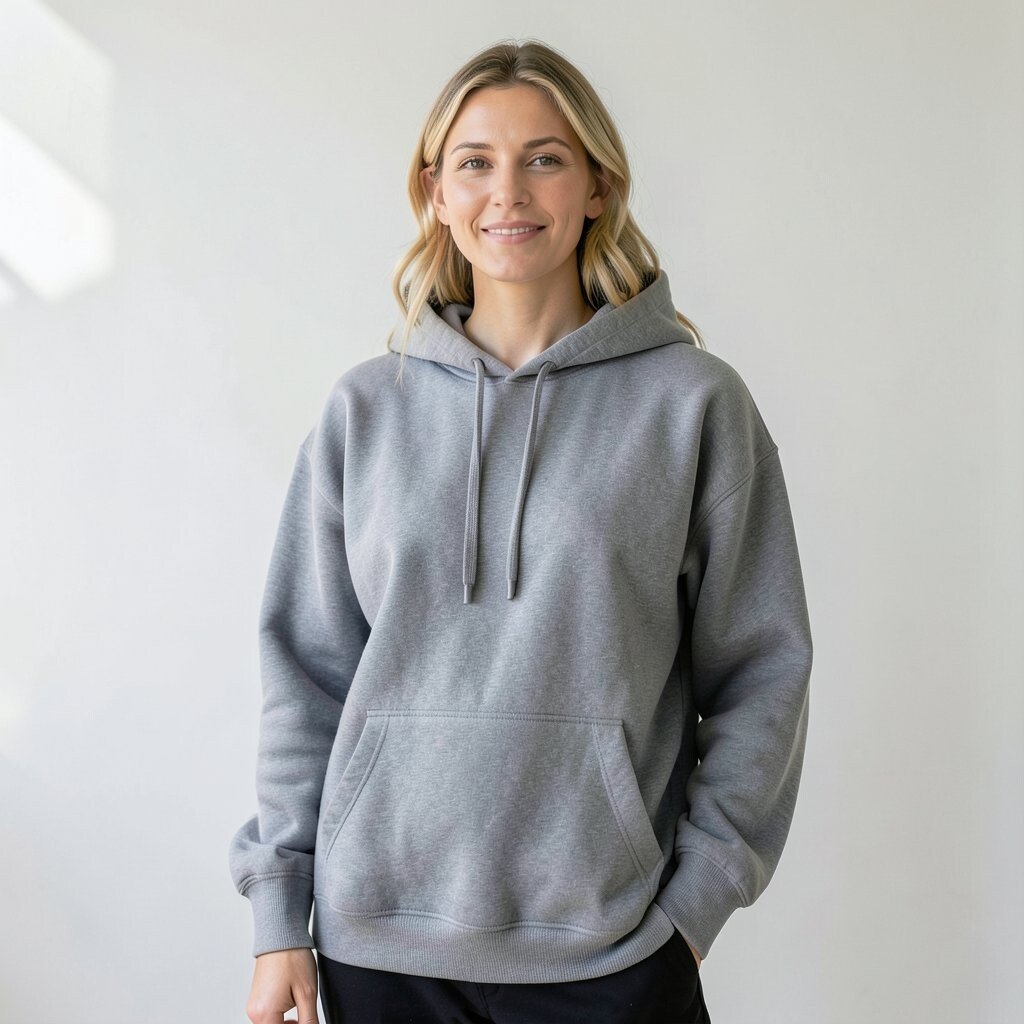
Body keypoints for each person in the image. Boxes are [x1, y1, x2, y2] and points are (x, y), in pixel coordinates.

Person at [229, 37, 813, 1024]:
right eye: (476, 162)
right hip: (377, 945)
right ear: (436, 193)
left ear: (596, 186)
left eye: (545, 158)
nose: (509, 191)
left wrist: (698, 902)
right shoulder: (365, 411)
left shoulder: (692, 405)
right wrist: (280, 911)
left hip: (611, 950)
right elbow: (306, 677)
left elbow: (762, 672)